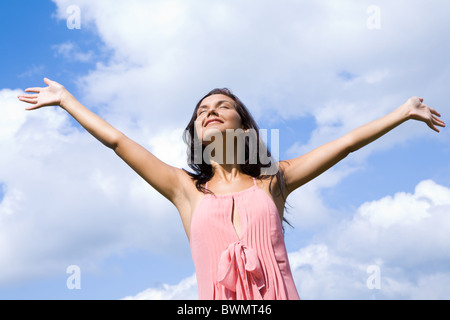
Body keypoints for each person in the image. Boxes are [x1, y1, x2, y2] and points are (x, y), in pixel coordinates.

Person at [17, 78, 445, 299]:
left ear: (243, 124)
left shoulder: (273, 182)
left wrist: (402, 112)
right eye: (203, 110)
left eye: (223, 105)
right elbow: (117, 142)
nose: (212, 112)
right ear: (197, 131)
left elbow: (346, 144)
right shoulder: (185, 190)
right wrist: (67, 101)